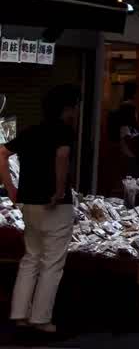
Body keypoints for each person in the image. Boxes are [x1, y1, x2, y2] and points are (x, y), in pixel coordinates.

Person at [0, 85, 78, 335]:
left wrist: (11, 188)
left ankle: (20, 314)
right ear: (67, 108)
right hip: (54, 206)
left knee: (30, 258)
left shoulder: (31, 131)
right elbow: (62, 156)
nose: (76, 110)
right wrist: (58, 190)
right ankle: (41, 319)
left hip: (28, 204)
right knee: (52, 263)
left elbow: (1, 153)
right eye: (75, 105)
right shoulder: (64, 131)